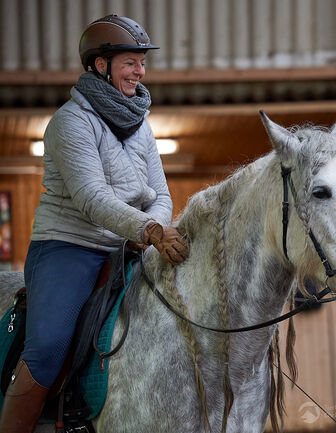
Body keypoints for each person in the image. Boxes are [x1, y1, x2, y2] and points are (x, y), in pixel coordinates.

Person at [0, 14, 189, 432]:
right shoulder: (70, 122)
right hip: (69, 246)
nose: (140, 71)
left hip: (132, 244)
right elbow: (91, 197)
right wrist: (150, 230)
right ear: (100, 66)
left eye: (142, 62)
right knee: (48, 347)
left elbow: (161, 193)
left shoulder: (142, 127)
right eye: (130, 63)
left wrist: (151, 230)